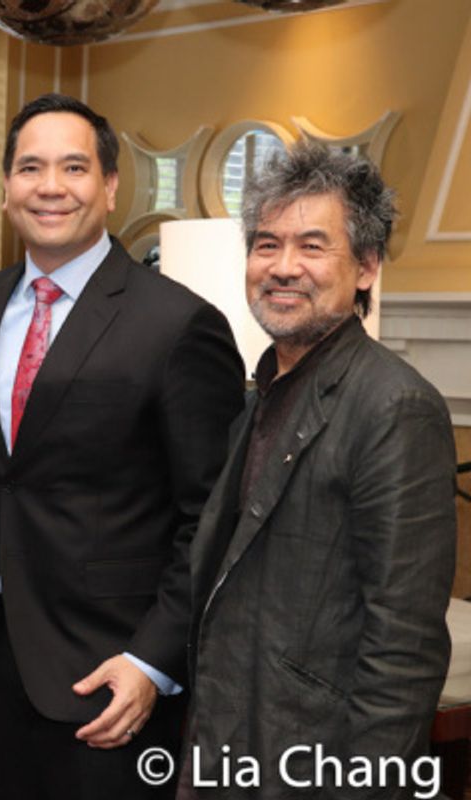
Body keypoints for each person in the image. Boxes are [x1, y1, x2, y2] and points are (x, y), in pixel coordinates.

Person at [0, 93, 245, 799]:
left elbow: (213, 516)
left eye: (73, 167)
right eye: (30, 168)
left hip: (110, 679)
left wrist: (152, 661)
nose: (50, 187)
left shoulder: (178, 325)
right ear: (7, 187)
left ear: (110, 187)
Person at [180, 143, 456, 799]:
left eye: (311, 246)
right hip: (232, 745)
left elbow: (404, 649)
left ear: (366, 267)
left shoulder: (395, 407)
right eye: (266, 244)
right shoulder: (265, 390)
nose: (282, 267)